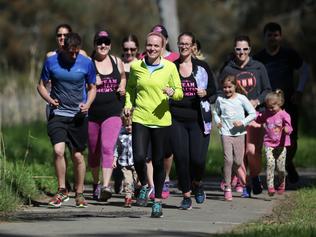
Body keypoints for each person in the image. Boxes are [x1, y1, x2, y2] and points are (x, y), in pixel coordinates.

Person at [124, 31, 183, 218]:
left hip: (161, 120)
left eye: (156, 46)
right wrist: (127, 104)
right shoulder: (136, 67)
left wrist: (172, 92)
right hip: (140, 117)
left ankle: (157, 201)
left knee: (158, 162)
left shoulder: (170, 67)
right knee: (139, 157)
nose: (152, 48)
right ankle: (144, 184)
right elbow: (130, 89)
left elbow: (180, 92)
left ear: (162, 47)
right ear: (145, 46)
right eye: (149, 45)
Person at [37, 32, 96, 208]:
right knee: (58, 151)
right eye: (70, 52)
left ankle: (79, 193)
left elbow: (92, 88)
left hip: (79, 116)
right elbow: (40, 85)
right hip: (59, 114)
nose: (74, 55)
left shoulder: (86, 63)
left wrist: (88, 104)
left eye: (76, 52)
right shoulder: (51, 61)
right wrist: (49, 99)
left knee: (78, 156)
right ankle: (62, 190)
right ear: (63, 48)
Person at [254, 22, 309, 183]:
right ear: (264, 37)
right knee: (271, 138)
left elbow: (305, 69)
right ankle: (280, 167)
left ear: (280, 37)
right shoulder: (259, 58)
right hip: (267, 107)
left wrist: (299, 90)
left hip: (289, 104)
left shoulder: (289, 54)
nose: (272, 38)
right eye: (269, 35)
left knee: (291, 137)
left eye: (275, 35)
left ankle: (288, 163)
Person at [219, 35, 271, 197]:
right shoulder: (228, 68)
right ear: (234, 50)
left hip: (255, 115)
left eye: (245, 49)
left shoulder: (258, 67)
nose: (241, 52)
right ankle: (246, 183)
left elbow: (267, 89)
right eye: (238, 49)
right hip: (234, 119)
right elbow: (221, 91)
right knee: (237, 154)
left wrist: (258, 100)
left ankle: (254, 176)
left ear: (250, 50)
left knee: (252, 150)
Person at [170, 32, 217, 209]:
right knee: (181, 158)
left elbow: (213, 88)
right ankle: (186, 195)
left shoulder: (202, 67)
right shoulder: (171, 67)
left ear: (193, 46)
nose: (183, 46)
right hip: (176, 118)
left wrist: (205, 93)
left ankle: (197, 182)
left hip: (198, 118)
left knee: (197, 159)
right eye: (181, 43)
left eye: (187, 44)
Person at [87, 30, 126, 202]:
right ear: (94, 44)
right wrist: (90, 81)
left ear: (110, 44)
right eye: (99, 42)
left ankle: (105, 186)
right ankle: (96, 184)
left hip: (113, 112)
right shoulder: (88, 63)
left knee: (108, 147)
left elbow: (123, 77)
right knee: (94, 151)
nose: (103, 45)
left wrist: (122, 86)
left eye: (106, 42)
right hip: (92, 114)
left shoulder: (117, 61)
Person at [145, 24, 180, 200]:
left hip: (171, 109)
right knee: (149, 152)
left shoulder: (175, 58)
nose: (154, 43)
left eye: (159, 37)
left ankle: (165, 177)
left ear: (164, 40)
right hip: (149, 111)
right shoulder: (145, 58)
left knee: (167, 150)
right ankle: (153, 184)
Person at [213, 75, 256, 201]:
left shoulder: (241, 98)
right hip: (225, 133)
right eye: (224, 87)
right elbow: (215, 112)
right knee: (228, 160)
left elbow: (252, 113)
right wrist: (217, 121)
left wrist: (242, 122)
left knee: (237, 161)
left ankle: (230, 173)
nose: (227, 90)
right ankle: (227, 188)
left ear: (235, 86)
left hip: (239, 134)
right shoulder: (220, 99)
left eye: (230, 87)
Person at [256, 89, 292, 195]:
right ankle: (270, 187)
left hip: (281, 145)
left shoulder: (284, 115)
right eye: (268, 107)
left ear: (280, 103)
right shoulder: (267, 113)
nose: (270, 109)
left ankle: (281, 183)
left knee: (280, 168)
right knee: (270, 164)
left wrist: (287, 129)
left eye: (272, 107)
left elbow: (289, 127)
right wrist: (252, 113)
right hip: (269, 144)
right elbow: (258, 118)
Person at [112, 113, 138, 207]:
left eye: (131, 125)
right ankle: (128, 198)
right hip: (124, 163)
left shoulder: (138, 135)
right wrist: (114, 160)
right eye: (127, 125)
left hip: (136, 163)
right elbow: (116, 148)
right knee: (128, 181)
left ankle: (138, 192)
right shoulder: (120, 135)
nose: (129, 127)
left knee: (137, 181)